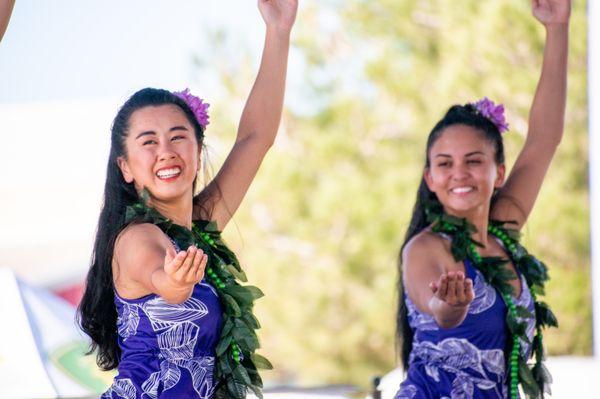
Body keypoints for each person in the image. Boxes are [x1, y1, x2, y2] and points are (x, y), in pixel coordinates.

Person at [78, 1, 298, 398]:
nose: (166, 150)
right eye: (149, 142)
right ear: (125, 166)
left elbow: (256, 138)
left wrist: (278, 32)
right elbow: (164, 284)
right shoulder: (136, 238)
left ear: (198, 150)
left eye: (178, 135)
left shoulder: (199, 227)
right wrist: (174, 283)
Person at [395, 1, 570, 398]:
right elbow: (439, 313)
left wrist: (558, 28)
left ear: (499, 173)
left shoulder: (503, 229)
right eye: (445, 163)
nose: (460, 172)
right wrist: (450, 307)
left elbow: (545, 139)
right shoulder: (424, 249)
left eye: (474, 161)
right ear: (430, 178)